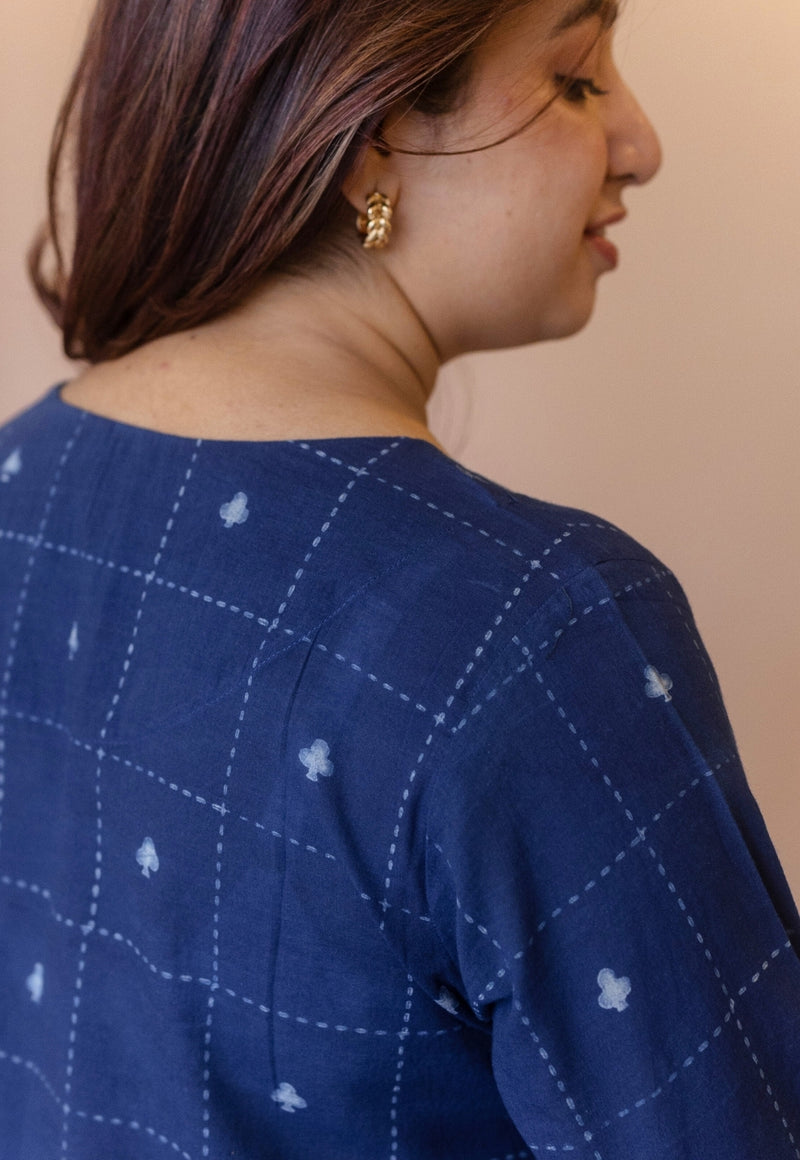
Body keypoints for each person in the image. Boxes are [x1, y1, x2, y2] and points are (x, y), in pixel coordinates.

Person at [1, 0, 798, 1156]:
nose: (640, 143)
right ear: (370, 137)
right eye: (575, 78)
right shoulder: (537, 630)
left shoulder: (17, 488)